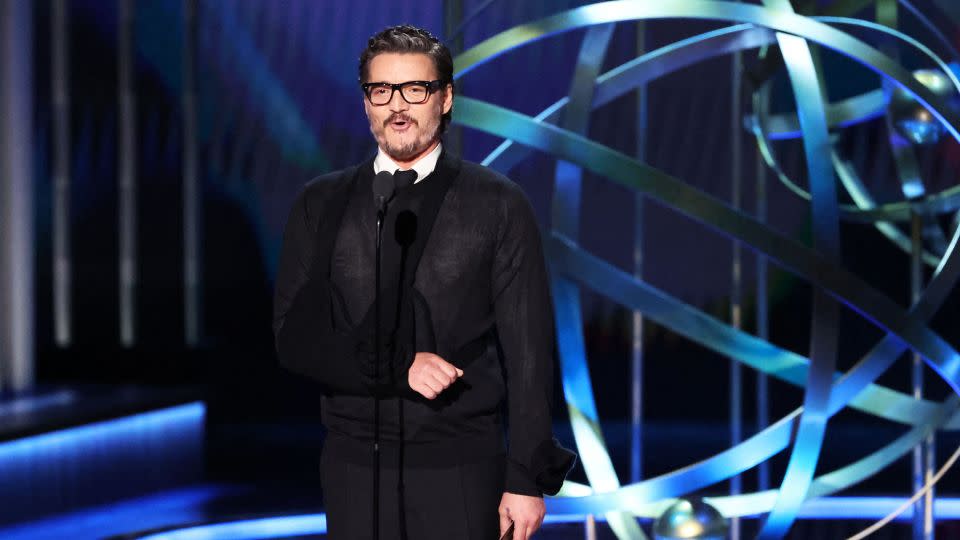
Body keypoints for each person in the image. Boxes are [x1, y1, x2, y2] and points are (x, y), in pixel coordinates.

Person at [273, 24, 575, 540]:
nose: (398, 106)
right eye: (381, 90)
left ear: (446, 97)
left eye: (416, 89)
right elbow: (294, 340)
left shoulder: (497, 204)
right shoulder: (321, 204)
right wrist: (397, 367)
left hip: (460, 470)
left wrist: (525, 478)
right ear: (366, 101)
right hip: (352, 470)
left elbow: (528, 352)